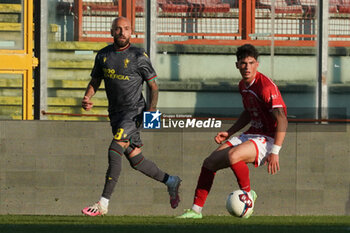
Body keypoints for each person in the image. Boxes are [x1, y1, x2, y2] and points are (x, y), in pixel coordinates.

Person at [81, 17, 181, 216]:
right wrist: (87, 96)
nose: (122, 32)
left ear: (131, 32)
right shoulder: (103, 56)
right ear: (111, 32)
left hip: (134, 113)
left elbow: (153, 86)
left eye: (126, 29)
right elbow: (95, 80)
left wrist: (152, 111)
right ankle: (171, 181)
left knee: (114, 149)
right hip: (116, 115)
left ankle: (103, 204)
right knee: (136, 160)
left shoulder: (139, 56)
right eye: (117, 29)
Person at [178, 44, 288, 219]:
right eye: (243, 63)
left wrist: (275, 151)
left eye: (251, 63)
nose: (247, 67)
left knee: (233, 156)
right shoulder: (243, 86)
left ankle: (248, 196)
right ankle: (196, 210)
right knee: (209, 163)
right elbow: (248, 112)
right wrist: (229, 133)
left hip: (268, 138)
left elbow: (282, 118)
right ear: (237, 65)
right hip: (252, 133)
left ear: (257, 64)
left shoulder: (265, 87)